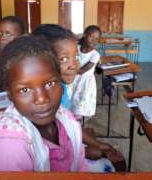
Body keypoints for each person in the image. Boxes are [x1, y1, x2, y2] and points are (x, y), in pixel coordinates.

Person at [0, 36, 87, 172]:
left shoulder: (66, 118)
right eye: (25, 90)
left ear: (60, 81)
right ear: (10, 94)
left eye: (50, 83)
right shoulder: (7, 150)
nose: (41, 99)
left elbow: (80, 167)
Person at [32, 24, 125, 170]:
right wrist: (81, 149)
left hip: (65, 141)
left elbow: (68, 123)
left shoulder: (60, 88)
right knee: (115, 163)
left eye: (75, 56)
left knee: (99, 152)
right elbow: (49, 145)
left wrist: (98, 144)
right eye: (63, 59)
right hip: (54, 155)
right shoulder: (43, 98)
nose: (74, 64)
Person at [72, 25, 101, 117]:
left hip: (85, 84)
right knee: (70, 104)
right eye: (91, 37)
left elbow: (81, 71)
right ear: (84, 35)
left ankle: (77, 125)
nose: (93, 41)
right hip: (72, 81)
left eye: (96, 39)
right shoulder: (75, 48)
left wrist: (66, 70)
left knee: (80, 108)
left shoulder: (95, 55)